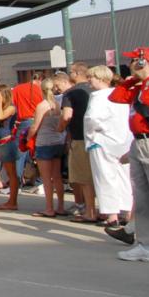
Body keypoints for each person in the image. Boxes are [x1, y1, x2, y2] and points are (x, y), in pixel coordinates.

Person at [108, 47, 149, 263]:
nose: (131, 64)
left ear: (144, 62)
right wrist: (129, 81)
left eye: (134, 60)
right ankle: (146, 244)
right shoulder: (141, 85)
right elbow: (116, 97)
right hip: (140, 142)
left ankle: (146, 245)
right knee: (144, 198)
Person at [84, 65, 132, 227]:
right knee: (123, 177)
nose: (89, 80)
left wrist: (91, 135)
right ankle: (128, 211)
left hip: (101, 140)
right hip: (122, 140)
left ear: (100, 78)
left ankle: (112, 216)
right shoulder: (119, 93)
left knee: (105, 178)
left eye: (91, 77)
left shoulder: (97, 96)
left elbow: (92, 119)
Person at [59, 62, 96, 223]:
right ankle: (107, 211)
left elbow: (66, 116)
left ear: (75, 73)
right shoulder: (95, 90)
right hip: (99, 138)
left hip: (79, 138)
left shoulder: (71, 93)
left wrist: (59, 128)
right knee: (98, 175)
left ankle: (90, 211)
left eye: (70, 72)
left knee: (83, 177)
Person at [29, 77, 67, 217]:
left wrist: (28, 137)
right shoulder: (57, 104)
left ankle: (49, 208)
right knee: (57, 176)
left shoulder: (42, 105)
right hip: (57, 141)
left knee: (46, 178)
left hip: (44, 142)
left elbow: (35, 126)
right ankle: (61, 206)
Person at [0, 84, 20, 211]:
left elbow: (0, 116)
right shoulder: (4, 107)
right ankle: (11, 200)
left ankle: (13, 201)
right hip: (2, 142)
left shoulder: (11, 107)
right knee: (9, 173)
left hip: (7, 142)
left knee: (12, 174)